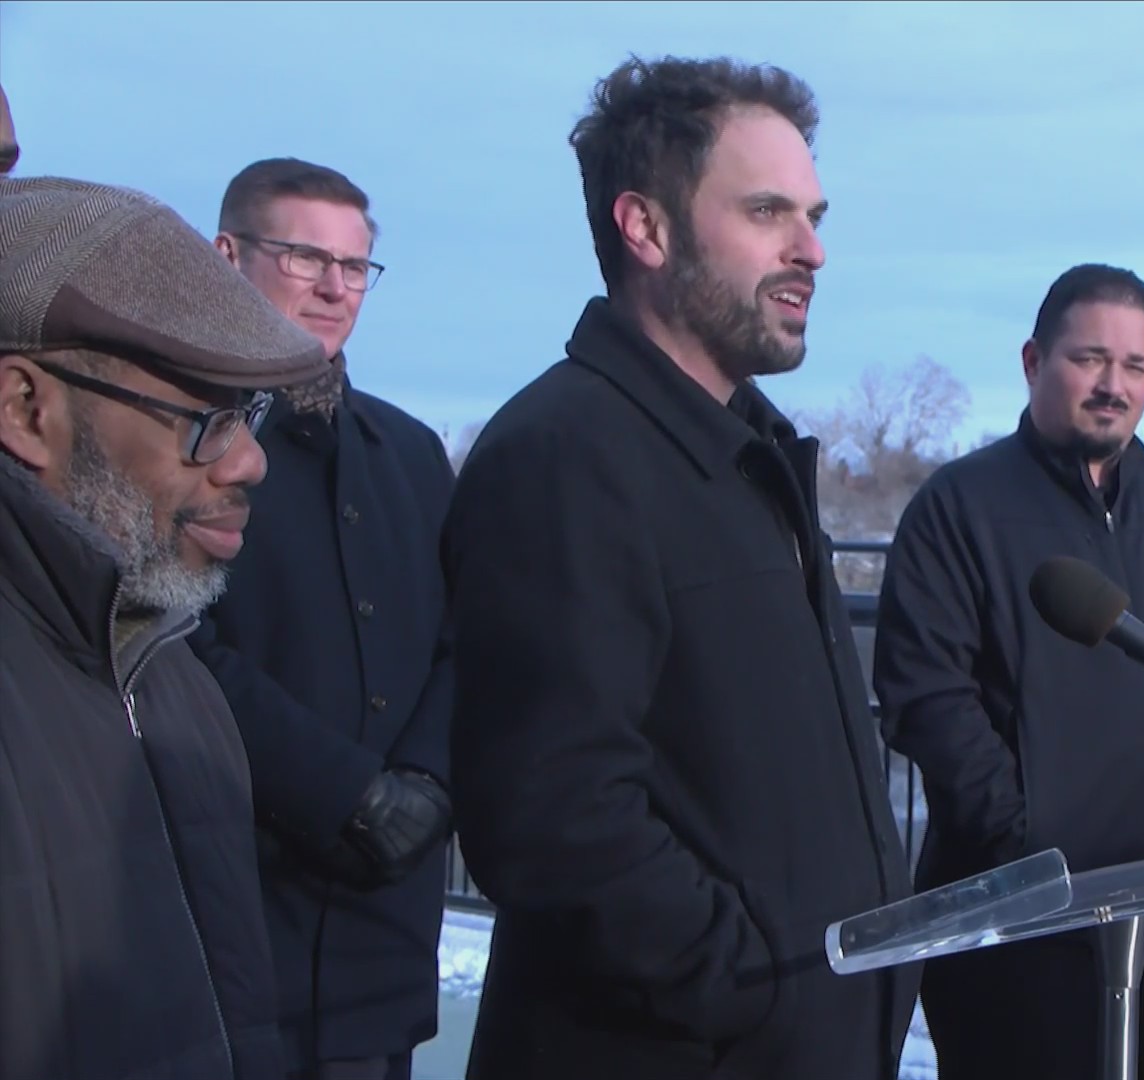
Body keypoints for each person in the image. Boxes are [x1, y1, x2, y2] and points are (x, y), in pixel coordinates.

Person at [440, 55, 918, 1080]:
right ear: (645, 228)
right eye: (768, 212)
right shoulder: (564, 456)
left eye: (815, 213)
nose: (813, 250)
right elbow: (551, 814)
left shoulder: (746, 454)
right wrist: (754, 987)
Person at [872, 263, 1144, 1080]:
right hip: (1026, 938)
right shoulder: (960, 509)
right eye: (1090, 360)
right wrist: (1026, 842)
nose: (1114, 385)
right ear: (1033, 362)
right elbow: (925, 694)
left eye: (1136, 366)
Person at [0, 175, 334, 1079]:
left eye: (252, 414)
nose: (251, 462)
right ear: (27, 409)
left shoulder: (173, 680)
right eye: (207, 420)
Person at [187, 158, 456, 1080]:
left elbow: (467, 641)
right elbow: (172, 643)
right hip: (234, 921)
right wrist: (347, 793)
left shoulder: (414, 455)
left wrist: (426, 782)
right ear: (229, 255)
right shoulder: (176, 444)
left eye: (356, 266)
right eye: (307, 259)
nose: (337, 289)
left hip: (384, 936)